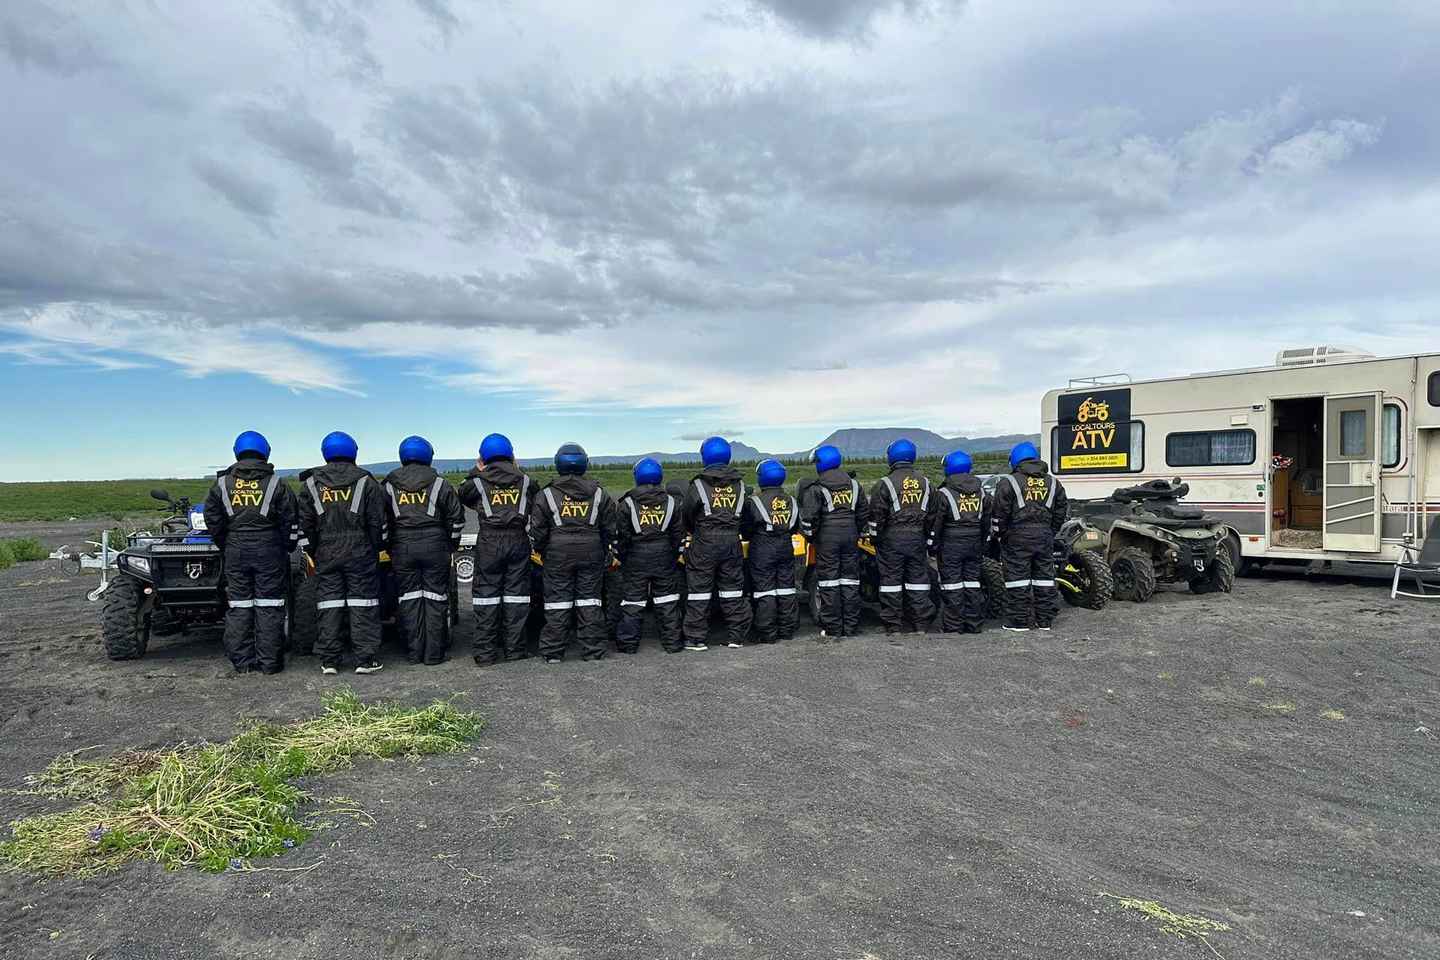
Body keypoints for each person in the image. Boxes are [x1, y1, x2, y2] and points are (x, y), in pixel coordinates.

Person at [203, 430, 299, 674]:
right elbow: (290, 520)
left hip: (235, 549)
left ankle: (243, 664)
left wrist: (226, 543)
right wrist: (285, 546)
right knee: (270, 605)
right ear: (265, 452)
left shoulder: (222, 484)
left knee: (239, 605)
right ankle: (270, 664)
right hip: (269, 550)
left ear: (237, 451)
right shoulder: (277, 484)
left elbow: (212, 519)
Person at [298, 431, 388, 674]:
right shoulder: (367, 482)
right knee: (363, 604)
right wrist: (373, 547)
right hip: (360, 551)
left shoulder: (310, 484)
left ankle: (329, 660)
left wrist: (315, 550)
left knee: (329, 604)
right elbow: (377, 522)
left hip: (326, 552)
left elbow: (305, 525)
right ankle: (365, 660)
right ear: (354, 453)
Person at [528, 442, 617, 662]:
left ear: (557, 463)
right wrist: (605, 551)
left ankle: (553, 653)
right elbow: (610, 528)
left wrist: (542, 551)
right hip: (592, 551)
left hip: (557, 553)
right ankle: (593, 650)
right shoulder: (599, 494)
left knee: (558, 601)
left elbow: (537, 531)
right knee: (590, 600)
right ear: (585, 463)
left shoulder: (545, 495)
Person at [383, 436, 464, 665]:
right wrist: (451, 544)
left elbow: (381, 520)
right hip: (435, 546)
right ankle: (434, 655)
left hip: (402, 547)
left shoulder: (388, 485)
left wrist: (389, 545)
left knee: (408, 600)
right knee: (435, 599)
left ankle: (413, 652)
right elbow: (456, 520)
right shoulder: (441, 484)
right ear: (428, 455)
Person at [459, 433, 535, 665]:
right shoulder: (526, 481)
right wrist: (516, 470)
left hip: (489, 542)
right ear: (512, 455)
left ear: (482, 457)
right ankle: (515, 650)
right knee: (517, 597)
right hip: (517, 540)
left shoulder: (477, 482)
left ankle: (485, 654)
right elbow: (535, 499)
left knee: (486, 597)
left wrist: (477, 471)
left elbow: (463, 494)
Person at [681, 436, 752, 650]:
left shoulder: (699, 485)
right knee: (732, 590)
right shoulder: (741, 485)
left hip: (704, 541)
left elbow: (687, 514)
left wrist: (697, 533)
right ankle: (736, 637)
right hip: (732, 541)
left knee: (699, 591)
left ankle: (695, 638)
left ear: (705, 456)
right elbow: (746, 515)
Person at [992, 440, 1068, 632]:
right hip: (1044, 536)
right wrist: (1050, 531)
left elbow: (999, 513)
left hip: (1017, 537)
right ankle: (1044, 621)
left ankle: (1018, 622)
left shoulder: (1008, 482)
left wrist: (1002, 535)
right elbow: (1061, 511)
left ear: (1015, 460)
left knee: (1018, 580)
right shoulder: (1053, 482)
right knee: (1044, 578)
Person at [614, 458, 685, 654]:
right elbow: (677, 533)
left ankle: (628, 645)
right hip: (664, 556)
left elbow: (622, 535)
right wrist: (671, 554)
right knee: (667, 600)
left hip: (636, 557)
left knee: (633, 602)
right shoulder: (672, 502)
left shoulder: (626, 503)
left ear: (636, 477)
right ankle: (673, 643)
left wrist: (625, 557)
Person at [868, 438, 936, 636]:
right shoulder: (927, 483)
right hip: (917, 540)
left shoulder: (885, 484)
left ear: (891, 457)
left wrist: (875, 538)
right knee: (918, 581)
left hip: (891, 540)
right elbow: (934, 515)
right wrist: (928, 539)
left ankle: (894, 626)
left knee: (891, 583)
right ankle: (921, 624)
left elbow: (876, 516)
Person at [799, 444, 867, 640]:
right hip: (850, 538)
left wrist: (812, 536)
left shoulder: (816, 487)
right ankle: (851, 627)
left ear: (820, 463)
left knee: (829, 583)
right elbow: (863, 513)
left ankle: (833, 628)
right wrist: (854, 530)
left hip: (827, 539)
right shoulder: (855, 485)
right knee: (850, 582)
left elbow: (809, 519)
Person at [927, 449, 990, 634]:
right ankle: (974, 625)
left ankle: (953, 627)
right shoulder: (982, 492)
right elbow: (986, 520)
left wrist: (932, 545)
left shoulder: (943, 493)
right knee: (972, 583)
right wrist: (983, 542)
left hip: (951, 545)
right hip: (974, 544)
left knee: (952, 585)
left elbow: (935, 523)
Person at [743, 458, 799, 645]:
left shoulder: (754, 502)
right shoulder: (792, 500)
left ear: (761, 478)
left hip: (762, 547)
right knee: (786, 588)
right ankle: (787, 630)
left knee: (764, 591)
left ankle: (767, 633)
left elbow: (746, 529)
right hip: (785, 546)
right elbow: (795, 527)